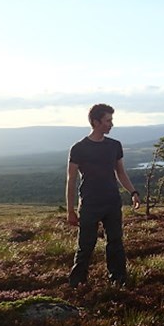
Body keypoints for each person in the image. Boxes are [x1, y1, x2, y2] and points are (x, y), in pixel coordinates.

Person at [66, 104, 141, 287]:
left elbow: (120, 173)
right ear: (95, 122)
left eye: (111, 120)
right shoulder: (78, 148)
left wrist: (133, 192)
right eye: (108, 120)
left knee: (115, 242)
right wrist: (70, 210)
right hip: (90, 203)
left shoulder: (114, 145)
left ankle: (119, 281)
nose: (111, 124)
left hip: (112, 202)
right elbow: (71, 179)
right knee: (86, 245)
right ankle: (76, 284)